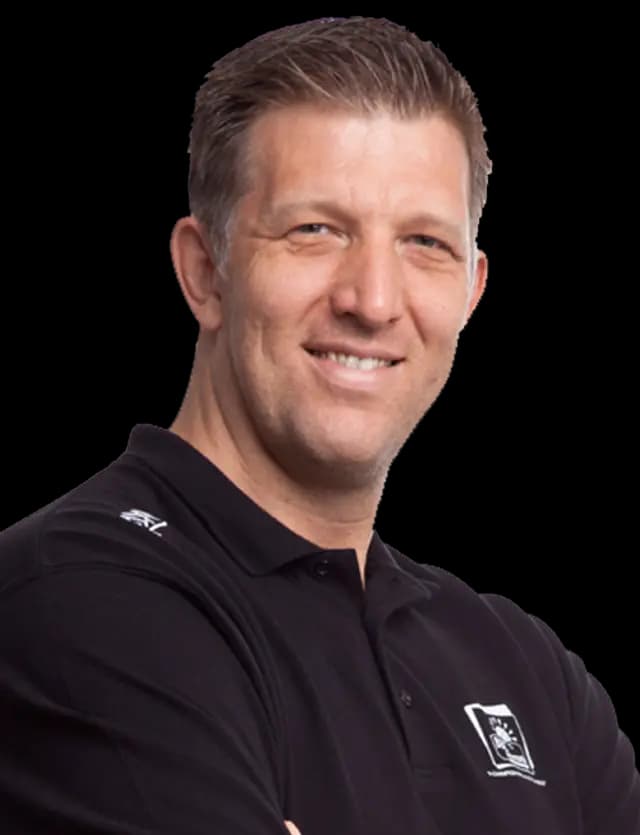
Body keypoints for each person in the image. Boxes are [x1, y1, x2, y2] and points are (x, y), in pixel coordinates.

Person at [0, 15, 637, 835]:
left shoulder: (529, 671)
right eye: (316, 231)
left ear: (471, 293)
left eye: (424, 243)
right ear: (205, 270)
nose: (372, 300)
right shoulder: (75, 600)